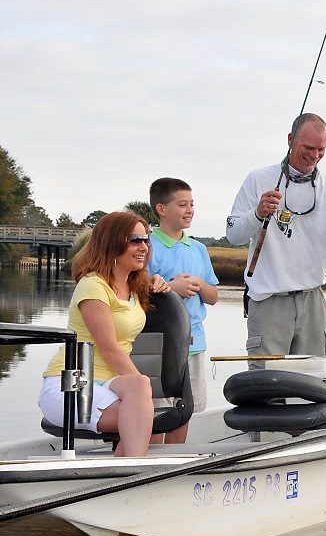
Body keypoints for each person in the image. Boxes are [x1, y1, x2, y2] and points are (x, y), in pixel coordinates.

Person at [227, 113, 326, 369]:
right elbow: (234, 234)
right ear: (290, 140)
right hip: (268, 300)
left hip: (312, 301)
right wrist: (257, 213)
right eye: (308, 148)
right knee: (267, 385)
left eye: (321, 149)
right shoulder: (257, 179)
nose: (315, 155)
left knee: (311, 382)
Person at [37, 211, 171, 457]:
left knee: (144, 416)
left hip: (110, 384)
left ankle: (125, 476)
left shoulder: (135, 286)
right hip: (71, 384)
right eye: (135, 240)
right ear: (111, 243)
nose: (144, 246)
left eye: (146, 240)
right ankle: (133, 477)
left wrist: (159, 282)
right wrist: (144, 396)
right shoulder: (93, 285)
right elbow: (109, 348)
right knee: (142, 412)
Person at [148, 177, 219, 443]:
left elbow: (213, 297)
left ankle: (175, 463)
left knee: (183, 410)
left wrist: (199, 284)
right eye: (182, 204)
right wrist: (171, 286)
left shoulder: (198, 249)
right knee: (157, 412)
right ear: (161, 209)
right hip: (159, 346)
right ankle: (150, 466)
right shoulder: (148, 245)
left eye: (192, 204)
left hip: (195, 344)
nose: (190, 210)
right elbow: (132, 287)